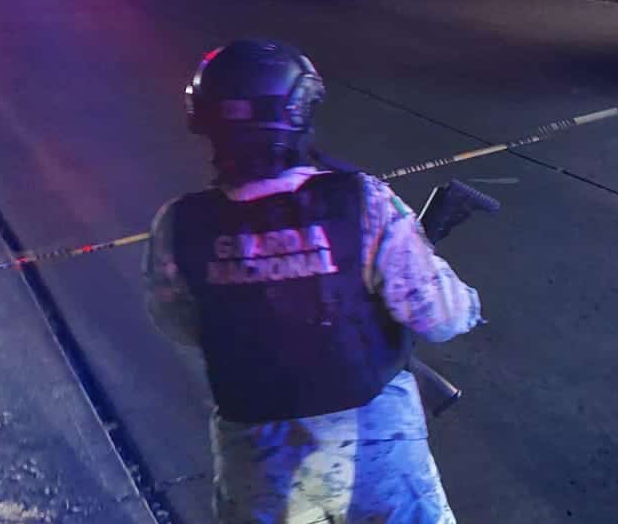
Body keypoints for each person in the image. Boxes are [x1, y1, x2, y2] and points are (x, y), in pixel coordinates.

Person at [145, 40, 481, 523]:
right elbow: (440, 316)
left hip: (259, 466)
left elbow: (178, 324)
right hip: (378, 455)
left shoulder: (176, 225)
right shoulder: (361, 201)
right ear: (297, 112)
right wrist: (467, 303)